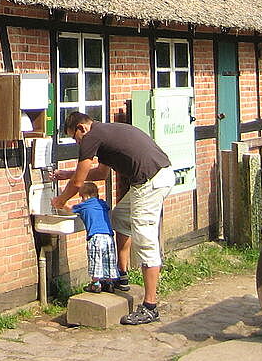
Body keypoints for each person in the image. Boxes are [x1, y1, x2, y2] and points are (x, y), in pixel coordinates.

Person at [51, 111, 174, 326]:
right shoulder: (103, 132)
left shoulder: (91, 137)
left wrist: (60, 201)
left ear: (81, 128)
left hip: (150, 182)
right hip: (157, 176)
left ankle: (150, 306)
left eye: (75, 137)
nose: (77, 142)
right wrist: (67, 174)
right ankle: (121, 276)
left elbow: (78, 183)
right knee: (120, 217)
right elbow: (101, 174)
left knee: (145, 239)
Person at [70, 180, 121, 293]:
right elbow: (106, 207)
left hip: (95, 237)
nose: (81, 200)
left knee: (95, 260)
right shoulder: (102, 204)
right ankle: (109, 283)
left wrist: (59, 204)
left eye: (82, 197)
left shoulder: (83, 206)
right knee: (109, 260)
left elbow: (70, 210)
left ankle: (96, 284)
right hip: (108, 236)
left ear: (86, 196)